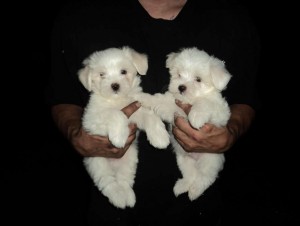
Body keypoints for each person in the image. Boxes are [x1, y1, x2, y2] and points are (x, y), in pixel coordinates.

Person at [46, 0, 260, 225]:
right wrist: (75, 134)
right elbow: (62, 95)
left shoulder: (231, 15)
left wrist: (231, 131)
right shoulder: (79, 13)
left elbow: (246, 98)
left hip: (200, 210)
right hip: (111, 213)